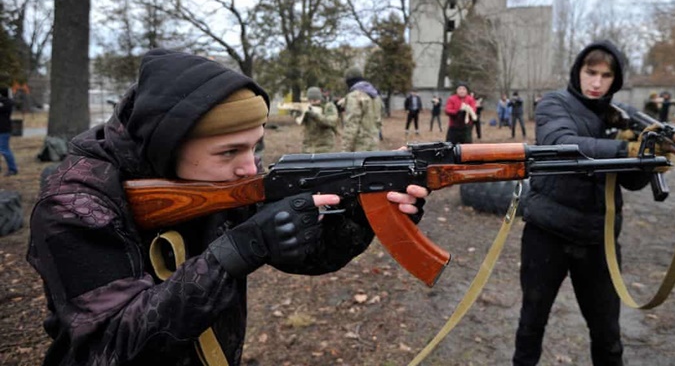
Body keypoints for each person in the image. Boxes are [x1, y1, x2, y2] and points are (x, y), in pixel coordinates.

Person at [26, 49, 428, 365]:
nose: (249, 167)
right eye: (229, 151)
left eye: (256, 146)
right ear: (168, 145)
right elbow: (110, 348)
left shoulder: (222, 182)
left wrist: (363, 213)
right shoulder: (74, 204)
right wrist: (236, 252)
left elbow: (307, 255)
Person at [514, 40, 668, 366]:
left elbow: (632, 182)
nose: (596, 83)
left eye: (606, 75)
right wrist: (622, 150)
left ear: (616, 79)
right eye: (590, 72)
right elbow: (561, 144)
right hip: (548, 235)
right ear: (578, 71)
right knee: (531, 325)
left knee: (608, 335)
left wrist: (649, 156)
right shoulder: (554, 104)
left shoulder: (623, 117)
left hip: (599, 239)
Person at [341, 66, 383, 151]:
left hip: (360, 147)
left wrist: (345, 150)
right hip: (374, 143)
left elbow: (351, 125)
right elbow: (378, 121)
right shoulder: (375, 96)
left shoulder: (354, 96)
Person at [301, 86, 339, 153]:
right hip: (308, 147)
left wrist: (315, 115)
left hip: (324, 147)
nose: (312, 102)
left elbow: (332, 121)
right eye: (310, 100)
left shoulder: (328, 107)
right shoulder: (308, 108)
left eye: (315, 100)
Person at [0, 88, 18, 176]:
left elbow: (9, 104)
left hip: (4, 130)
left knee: (4, 150)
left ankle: (13, 169)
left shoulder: (7, 103)